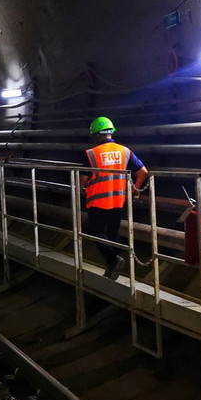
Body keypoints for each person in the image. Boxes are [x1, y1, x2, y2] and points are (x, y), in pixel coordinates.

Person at [80, 116, 149, 280]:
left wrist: (84, 186)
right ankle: (114, 268)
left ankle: (114, 261)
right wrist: (134, 188)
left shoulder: (91, 154)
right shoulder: (125, 151)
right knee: (112, 234)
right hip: (118, 201)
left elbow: (81, 181)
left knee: (95, 232)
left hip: (97, 202)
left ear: (96, 135)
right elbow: (143, 172)